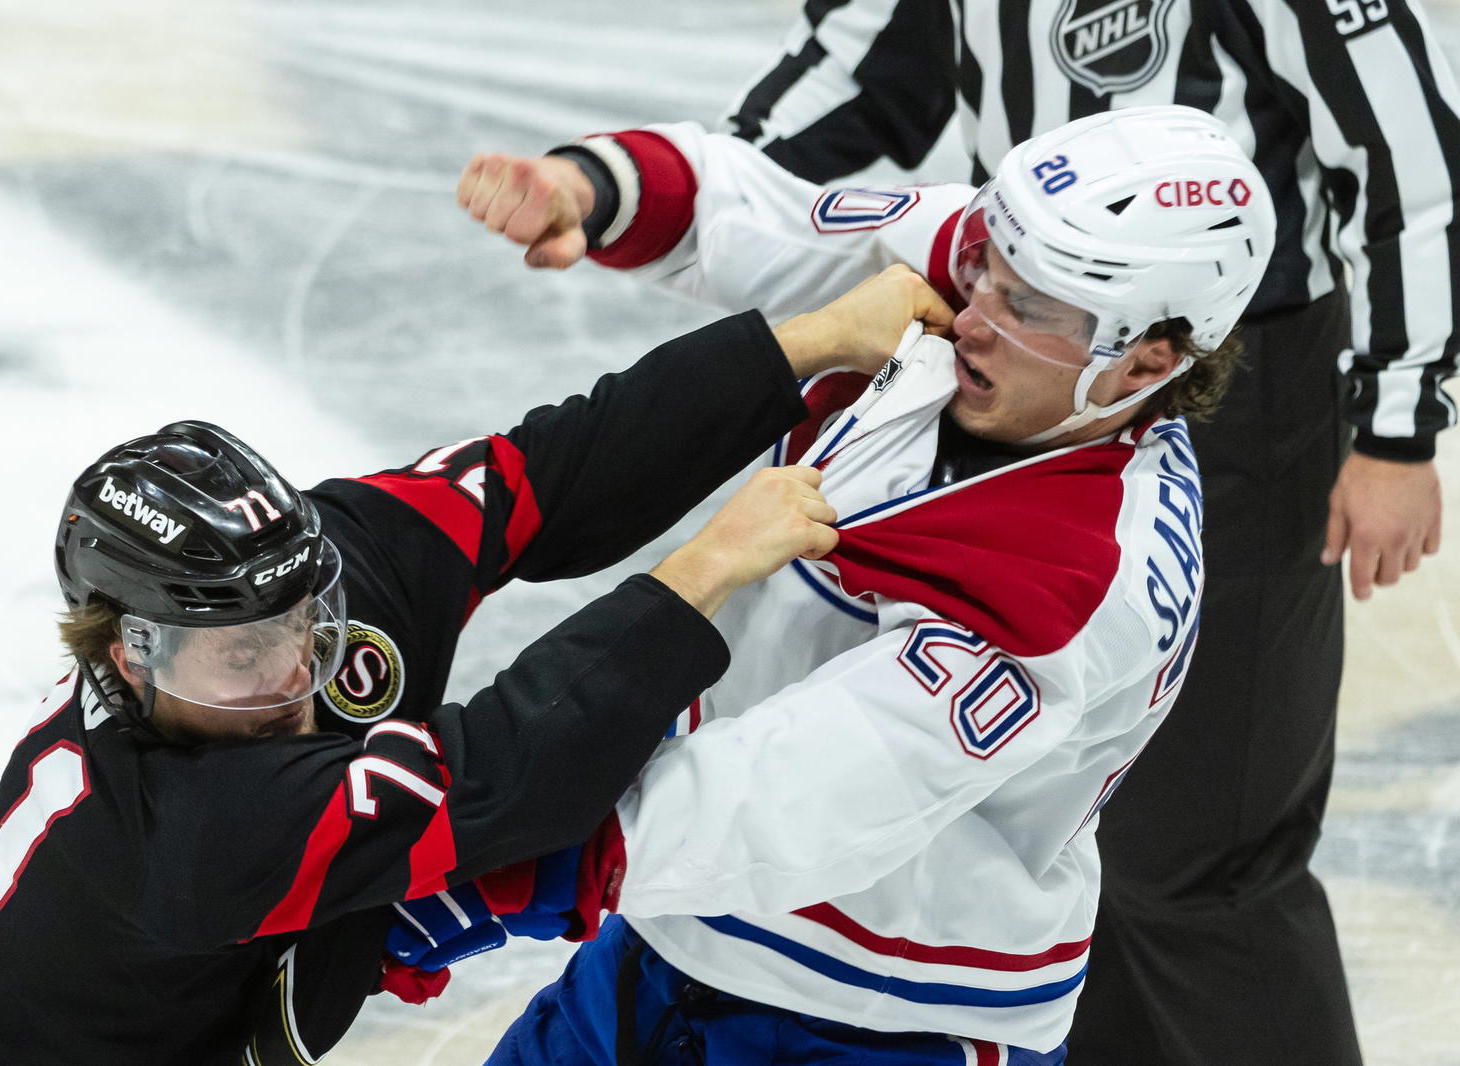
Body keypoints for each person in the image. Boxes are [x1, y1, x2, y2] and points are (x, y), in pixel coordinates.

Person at [0, 269, 951, 1066]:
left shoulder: (295, 573)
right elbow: (511, 774)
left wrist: (807, 342)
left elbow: (548, 470)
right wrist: (705, 567)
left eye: (307, 619)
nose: (294, 671)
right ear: (122, 655)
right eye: (242, 654)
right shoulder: (184, 830)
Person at [425, 105, 1271, 1062]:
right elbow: (769, 214)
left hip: (876, 1012)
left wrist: (488, 863)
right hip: (673, 921)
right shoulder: (996, 276)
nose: (972, 313)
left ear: (1146, 360)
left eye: (1027, 306)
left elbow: (802, 789)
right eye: (988, 263)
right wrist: (590, 187)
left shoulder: (1079, 576)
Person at [713, 5, 1457, 1061]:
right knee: (1049, 825)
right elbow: (872, 67)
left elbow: (1407, 156)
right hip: (1014, 354)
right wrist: (664, 195)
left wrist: (1396, 428)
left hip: (1225, 380)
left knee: (1206, 858)